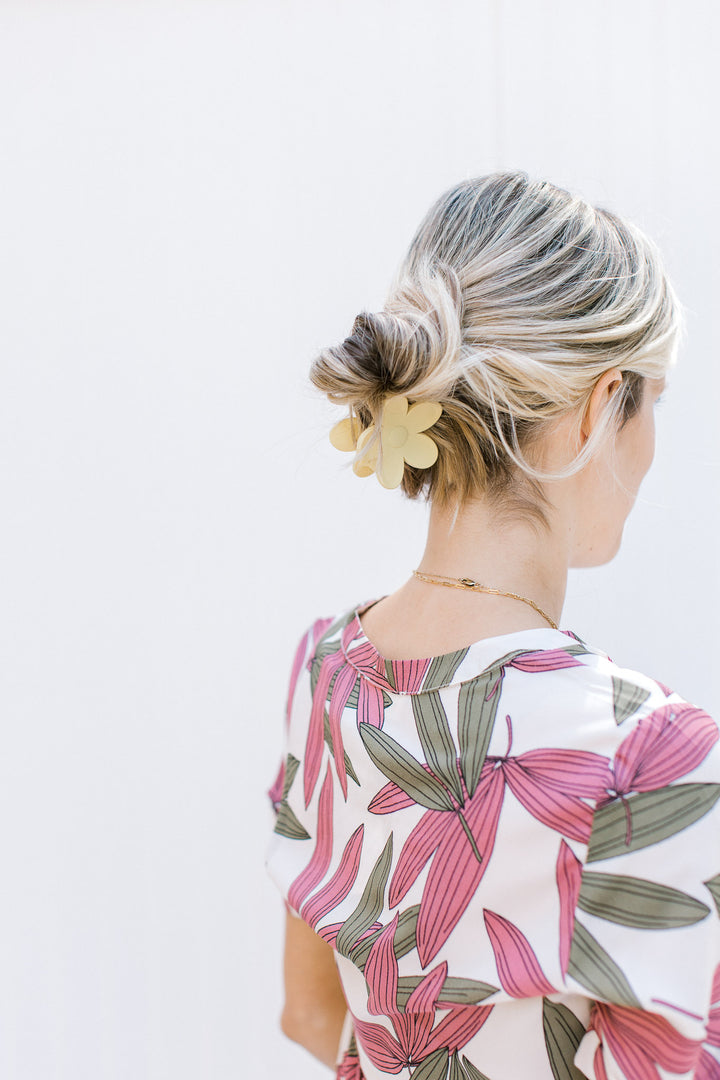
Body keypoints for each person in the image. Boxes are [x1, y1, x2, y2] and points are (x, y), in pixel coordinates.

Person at [266, 172, 720, 1080]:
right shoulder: (643, 754)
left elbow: (311, 1014)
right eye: (651, 402)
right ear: (601, 407)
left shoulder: (325, 671)